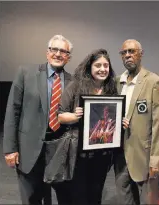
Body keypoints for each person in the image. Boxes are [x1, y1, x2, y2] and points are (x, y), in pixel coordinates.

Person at [3, 34, 73, 204]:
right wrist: (9, 148)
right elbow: (13, 111)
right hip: (29, 149)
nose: (58, 54)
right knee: (31, 198)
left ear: (68, 57)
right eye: (54, 49)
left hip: (59, 150)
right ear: (47, 52)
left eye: (63, 51)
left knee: (64, 197)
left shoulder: (73, 81)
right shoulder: (26, 73)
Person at [58, 48, 117, 204]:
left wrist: (120, 122)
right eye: (98, 65)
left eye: (106, 65)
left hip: (102, 154)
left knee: (96, 195)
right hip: (78, 154)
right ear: (89, 66)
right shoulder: (75, 86)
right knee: (78, 195)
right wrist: (75, 116)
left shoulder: (111, 89)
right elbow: (61, 116)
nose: (103, 69)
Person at [113, 39, 159, 204]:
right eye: (124, 53)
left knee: (148, 201)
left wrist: (156, 160)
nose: (128, 56)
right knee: (125, 198)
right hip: (120, 155)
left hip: (144, 155)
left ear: (140, 54)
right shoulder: (116, 82)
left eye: (132, 51)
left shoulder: (153, 81)